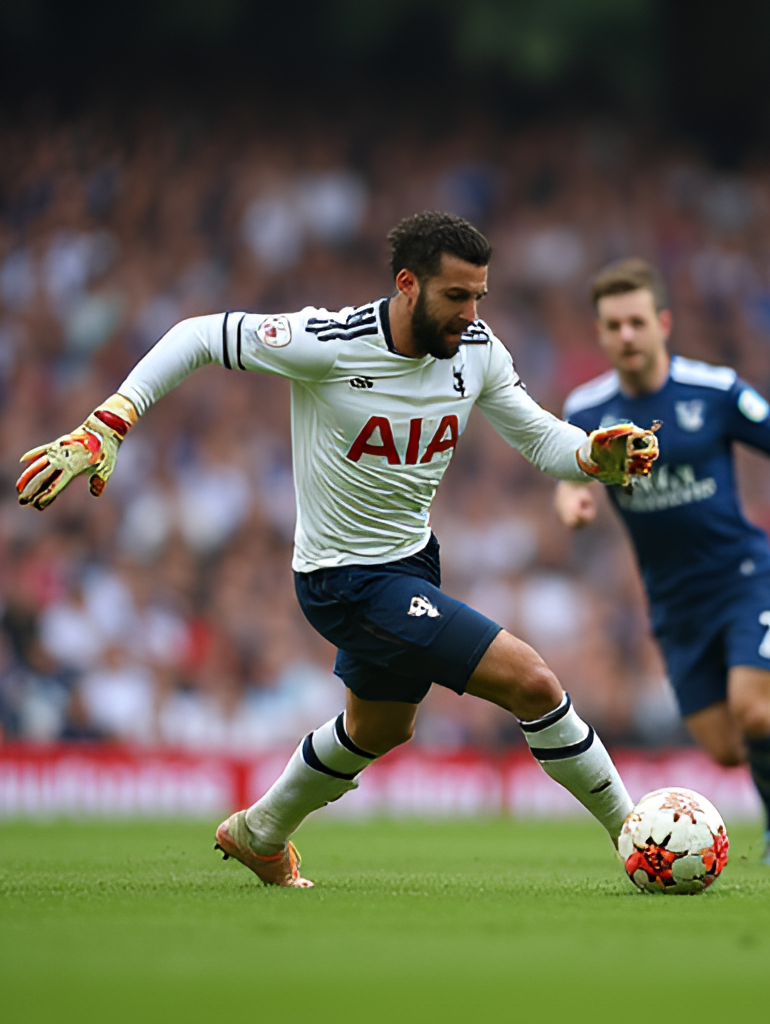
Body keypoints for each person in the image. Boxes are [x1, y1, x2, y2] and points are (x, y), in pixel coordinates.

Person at [17, 212, 660, 888]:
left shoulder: (477, 351)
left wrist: (592, 454)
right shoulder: (331, 342)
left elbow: (539, 438)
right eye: (455, 296)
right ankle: (637, 835)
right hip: (343, 580)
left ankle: (259, 832)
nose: (471, 314)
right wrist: (109, 422)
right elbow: (198, 335)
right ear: (407, 284)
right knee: (532, 681)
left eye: (479, 297)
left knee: (380, 728)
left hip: (412, 564)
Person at [554, 258, 770, 866]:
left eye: (637, 321)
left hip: (742, 575)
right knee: (726, 747)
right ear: (600, 333)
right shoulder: (586, 409)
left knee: (755, 708)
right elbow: (566, 474)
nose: (627, 335)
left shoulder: (713, 390)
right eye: (614, 325)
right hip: (672, 600)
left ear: (663, 323)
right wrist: (573, 502)